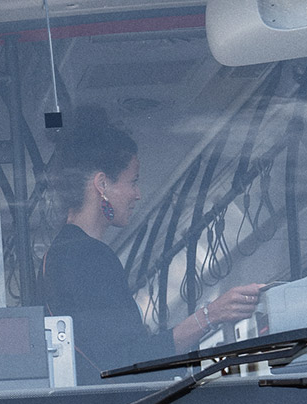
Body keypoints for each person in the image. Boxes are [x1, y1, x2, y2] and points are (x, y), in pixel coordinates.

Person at [40, 120, 266, 379]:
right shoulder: (88, 256)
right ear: (101, 184)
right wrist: (210, 316)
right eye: (132, 181)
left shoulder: (60, 254)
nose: (137, 194)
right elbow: (128, 362)